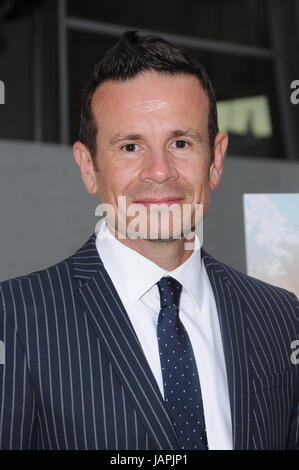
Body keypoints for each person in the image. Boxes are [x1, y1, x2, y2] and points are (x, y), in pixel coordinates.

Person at [0, 31, 298, 450]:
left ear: (215, 159)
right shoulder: (14, 320)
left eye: (180, 143)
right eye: (130, 146)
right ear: (88, 167)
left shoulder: (282, 318)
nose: (160, 171)